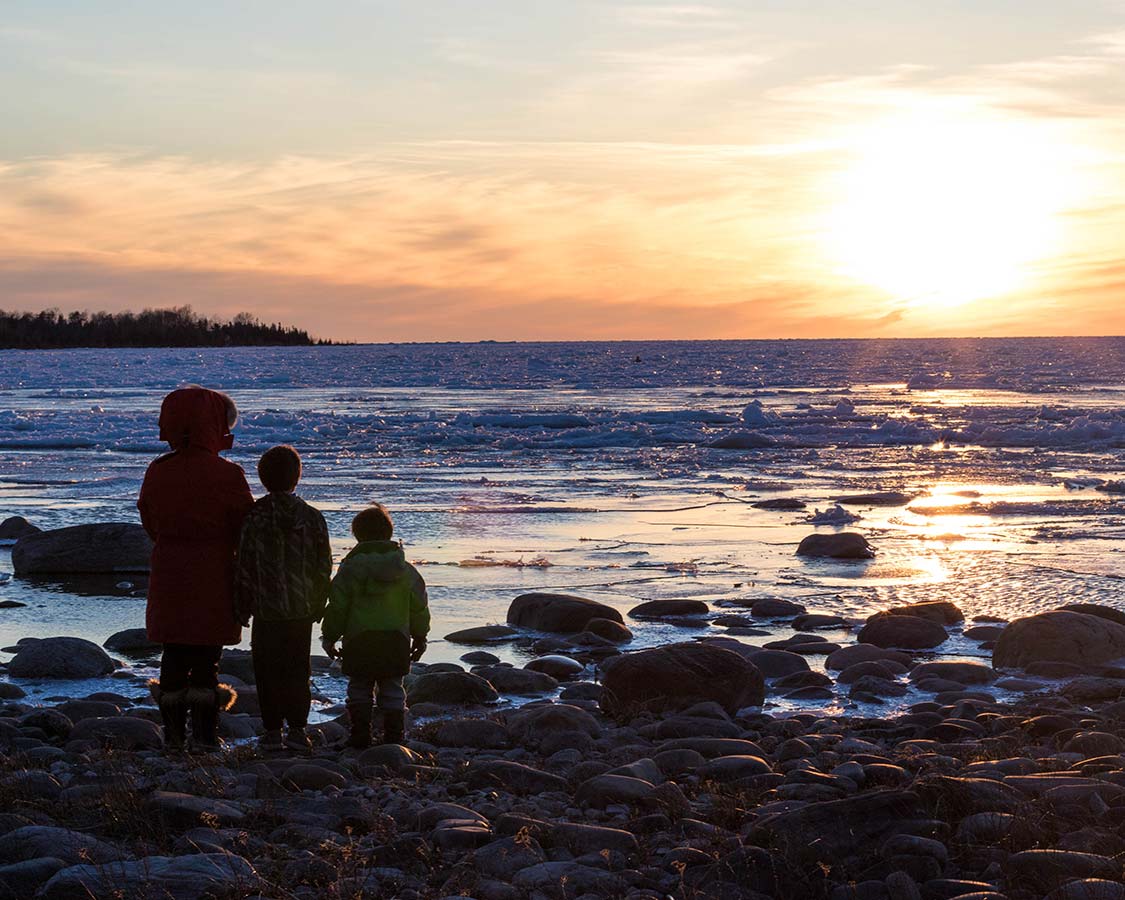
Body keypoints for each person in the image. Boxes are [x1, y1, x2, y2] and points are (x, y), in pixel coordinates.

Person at [138, 386, 253, 750]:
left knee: (173, 654)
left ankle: (173, 736)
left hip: (171, 570)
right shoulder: (228, 474)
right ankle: (205, 736)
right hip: (214, 574)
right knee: (207, 658)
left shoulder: (157, 471)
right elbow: (244, 525)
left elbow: (149, 518)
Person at [233, 445, 332, 752]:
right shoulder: (313, 517)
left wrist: (242, 604)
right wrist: (319, 602)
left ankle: (273, 731)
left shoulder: (255, 515)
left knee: (267, 671)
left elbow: (244, 563)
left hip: (266, 608)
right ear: (297, 477)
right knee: (298, 669)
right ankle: (299, 730)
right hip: (301, 608)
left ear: (262, 478)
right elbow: (323, 565)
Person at [320, 504, 429, 748]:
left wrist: (329, 636)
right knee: (392, 688)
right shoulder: (406, 570)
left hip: (359, 639)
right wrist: (420, 636)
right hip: (396, 639)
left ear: (357, 536)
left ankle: (360, 735)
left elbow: (337, 607)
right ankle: (394, 736)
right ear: (389, 534)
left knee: (359, 688)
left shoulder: (349, 570)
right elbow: (419, 606)